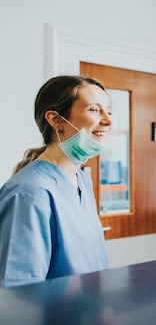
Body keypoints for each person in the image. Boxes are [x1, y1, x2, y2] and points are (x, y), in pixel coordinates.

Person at [0, 75, 111, 288]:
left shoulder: (81, 181)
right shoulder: (29, 194)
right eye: (94, 110)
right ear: (56, 120)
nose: (108, 120)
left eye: (108, 110)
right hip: (57, 320)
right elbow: (18, 292)